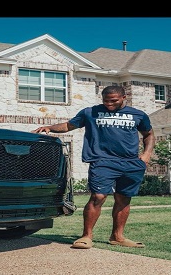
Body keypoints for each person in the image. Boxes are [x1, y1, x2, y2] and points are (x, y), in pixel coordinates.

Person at [32, 85, 155, 249]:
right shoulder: (90, 112)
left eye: (114, 101)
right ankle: (86, 236)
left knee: (123, 199)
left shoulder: (138, 115)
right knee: (98, 196)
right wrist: (50, 128)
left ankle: (117, 236)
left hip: (131, 163)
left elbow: (149, 134)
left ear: (124, 98)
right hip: (102, 161)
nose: (109, 104)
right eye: (106, 101)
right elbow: (69, 125)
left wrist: (146, 154)